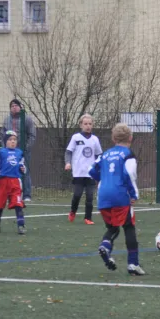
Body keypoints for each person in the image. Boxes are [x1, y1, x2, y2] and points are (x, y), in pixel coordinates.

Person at [89, 123, 145, 276]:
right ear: (131, 138)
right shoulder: (128, 154)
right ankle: (133, 264)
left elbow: (91, 170)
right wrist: (134, 195)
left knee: (113, 228)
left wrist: (104, 179)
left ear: (113, 138)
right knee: (129, 226)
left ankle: (105, 246)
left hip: (103, 196)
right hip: (120, 195)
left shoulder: (105, 154)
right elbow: (129, 174)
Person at [65, 114, 103, 224]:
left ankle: (88, 218)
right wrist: (68, 162)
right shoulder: (76, 137)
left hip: (90, 173)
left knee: (90, 196)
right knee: (77, 195)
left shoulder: (95, 139)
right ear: (81, 125)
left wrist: (99, 167)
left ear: (92, 125)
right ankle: (73, 211)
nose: (88, 126)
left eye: (90, 124)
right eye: (85, 124)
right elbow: (68, 152)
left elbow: (99, 155)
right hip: (78, 172)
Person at [0, 131, 27, 235]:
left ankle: (21, 226)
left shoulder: (19, 152)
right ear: (5, 141)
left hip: (15, 182)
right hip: (3, 182)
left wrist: (23, 169)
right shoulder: (1, 152)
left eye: (14, 140)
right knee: (0, 205)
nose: (12, 142)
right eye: (10, 140)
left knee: (18, 203)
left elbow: (21, 165)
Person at [1, 99, 37, 201]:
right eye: (12, 105)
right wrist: (5, 149)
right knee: (10, 173)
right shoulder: (6, 120)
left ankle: (26, 195)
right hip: (10, 152)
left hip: (23, 151)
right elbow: (2, 134)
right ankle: (12, 194)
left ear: (21, 107)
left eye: (16, 105)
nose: (14, 107)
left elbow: (32, 135)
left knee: (24, 171)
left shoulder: (27, 119)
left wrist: (26, 148)